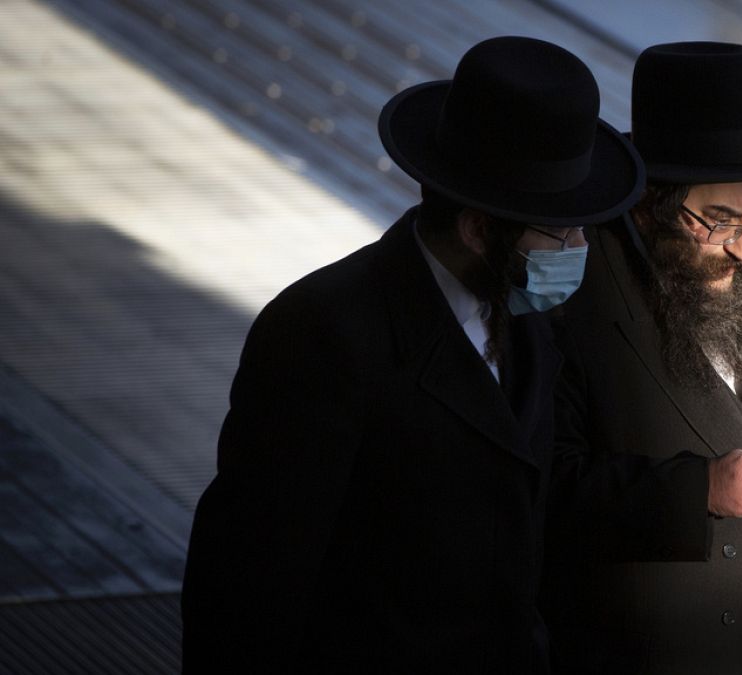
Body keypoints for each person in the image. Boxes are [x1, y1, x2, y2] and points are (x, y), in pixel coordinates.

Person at [181, 36, 644, 673]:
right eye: (561, 231)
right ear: (479, 229)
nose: (579, 246)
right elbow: (250, 578)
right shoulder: (323, 333)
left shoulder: (529, 314)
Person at [542, 42, 742, 674]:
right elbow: (542, 484)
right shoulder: (574, 288)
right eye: (717, 222)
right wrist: (701, 489)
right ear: (650, 203)